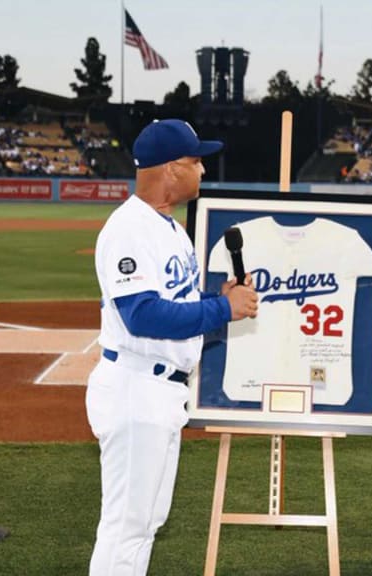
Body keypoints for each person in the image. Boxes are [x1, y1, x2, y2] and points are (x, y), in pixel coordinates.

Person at [86, 118, 259, 576]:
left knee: (145, 524)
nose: (203, 170)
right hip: (135, 386)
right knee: (126, 526)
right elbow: (142, 315)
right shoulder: (128, 229)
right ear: (170, 168)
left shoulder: (170, 229)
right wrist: (223, 311)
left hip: (161, 391)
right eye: (196, 161)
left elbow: (177, 302)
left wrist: (217, 299)